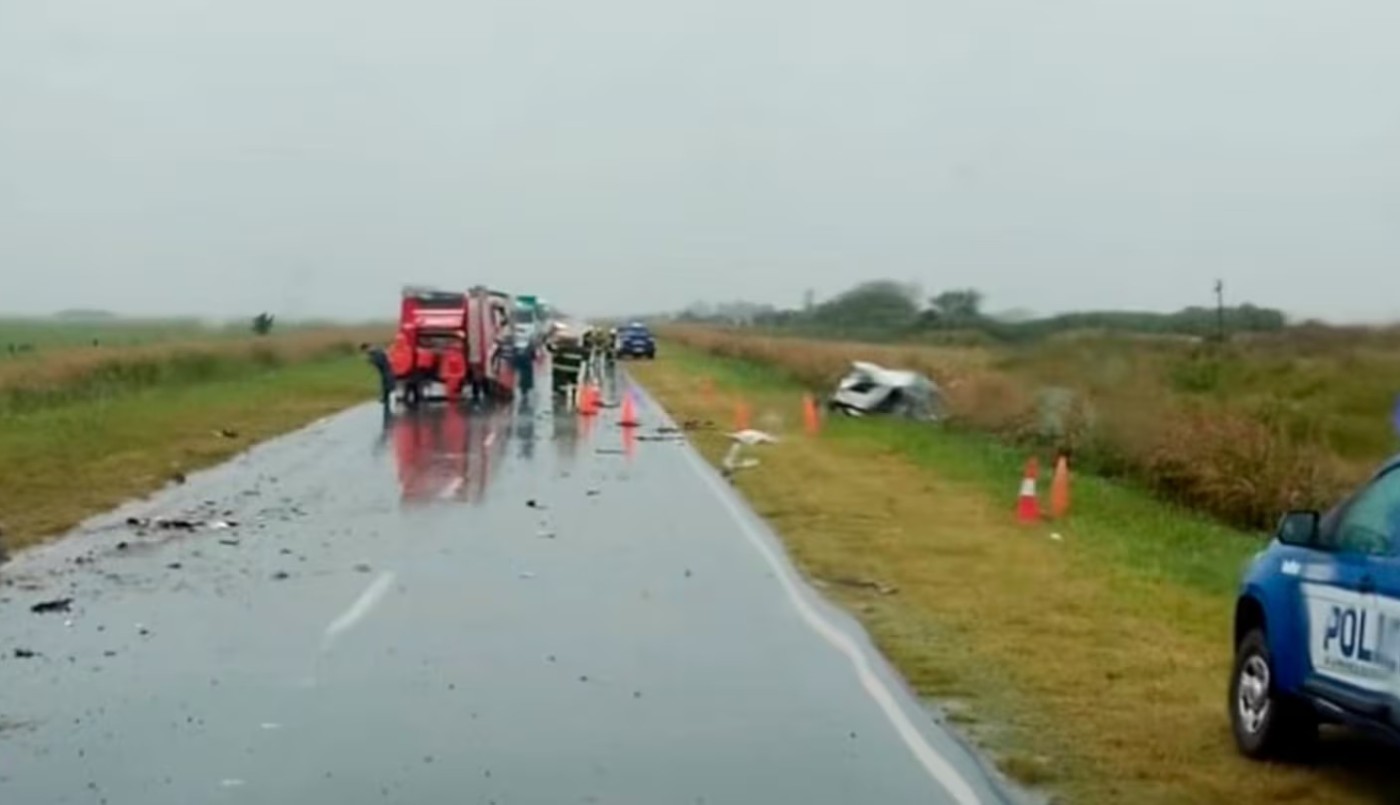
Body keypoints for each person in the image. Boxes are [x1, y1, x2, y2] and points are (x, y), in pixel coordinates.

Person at [361, 342, 394, 409]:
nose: (365, 352)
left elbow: (379, 362)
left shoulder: (376, 352)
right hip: (385, 370)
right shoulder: (374, 352)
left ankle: (386, 398)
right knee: (385, 384)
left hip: (386, 370)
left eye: (365, 350)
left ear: (367, 348)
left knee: (387, 384)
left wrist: (370, 360)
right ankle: (385, 398)